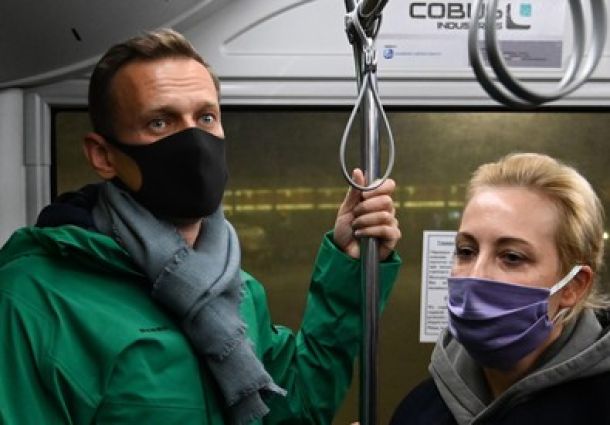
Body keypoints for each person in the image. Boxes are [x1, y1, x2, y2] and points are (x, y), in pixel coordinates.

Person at [0, 29, 402, 424]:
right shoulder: (34, 300)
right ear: (103, 155)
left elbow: (293, 411)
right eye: (160, 123)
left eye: (206, 117)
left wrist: (349, 265)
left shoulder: (236, 288)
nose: (193, 141)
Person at [390, 152, 610, 425]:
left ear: (573, 286)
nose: (476, 275)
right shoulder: (419, 410)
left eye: (512, 257)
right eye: (466, 251)